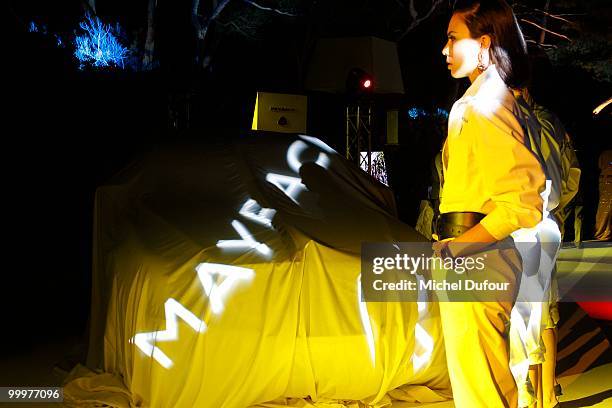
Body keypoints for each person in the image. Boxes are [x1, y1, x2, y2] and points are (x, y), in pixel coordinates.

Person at [433, 0, 546, 406]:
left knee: (481, 391)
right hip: (478, 254)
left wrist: (458, 248)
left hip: (476, 255)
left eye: (452, 38)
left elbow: (523, 199)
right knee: (481, 384)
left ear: (484, 44)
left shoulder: (485, 105)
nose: (444, 51)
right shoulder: (484, 100)